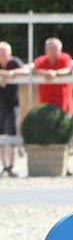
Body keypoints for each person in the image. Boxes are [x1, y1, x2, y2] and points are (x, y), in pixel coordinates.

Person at [0, 41, 29, 177]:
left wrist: (10, 74)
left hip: (12, 105)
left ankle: (12, 166)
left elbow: (26, 70)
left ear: (10, 53)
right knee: (1, 137)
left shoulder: (14, 62)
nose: (3, 55)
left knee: (11, 135)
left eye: (5, 52)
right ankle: (4, 165)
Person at [31, 37, 73, 114]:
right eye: (50, 48)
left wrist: (55, 73)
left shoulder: (65, 58)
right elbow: (34, 70)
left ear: (60, 50)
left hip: (62, 99)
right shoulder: (41, 60)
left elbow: (68, 69)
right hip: (45, 99)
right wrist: (45, 73)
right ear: (46, 50)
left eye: (55, 48)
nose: (52, 51)